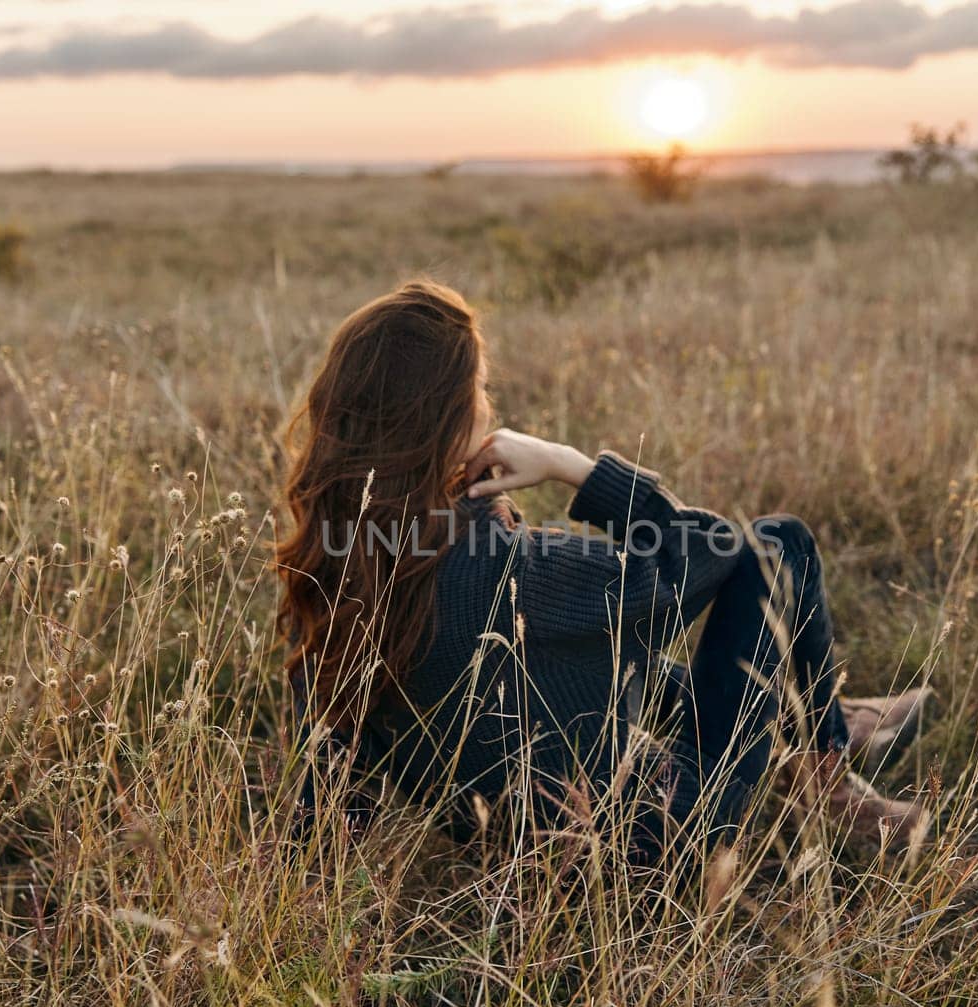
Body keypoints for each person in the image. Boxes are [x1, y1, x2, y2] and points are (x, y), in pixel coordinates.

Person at [275, 279, 928, 864]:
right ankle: (827, 768)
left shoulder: (334, 567)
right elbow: (713, 546)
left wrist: (314, 871)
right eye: (479, 390)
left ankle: (823, 721)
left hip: (513, 837)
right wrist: (572, 465)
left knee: (593, 659)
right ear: (451, 417)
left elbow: (331, 757)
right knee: (779, 541)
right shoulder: (513, 568)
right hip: (671, 832)